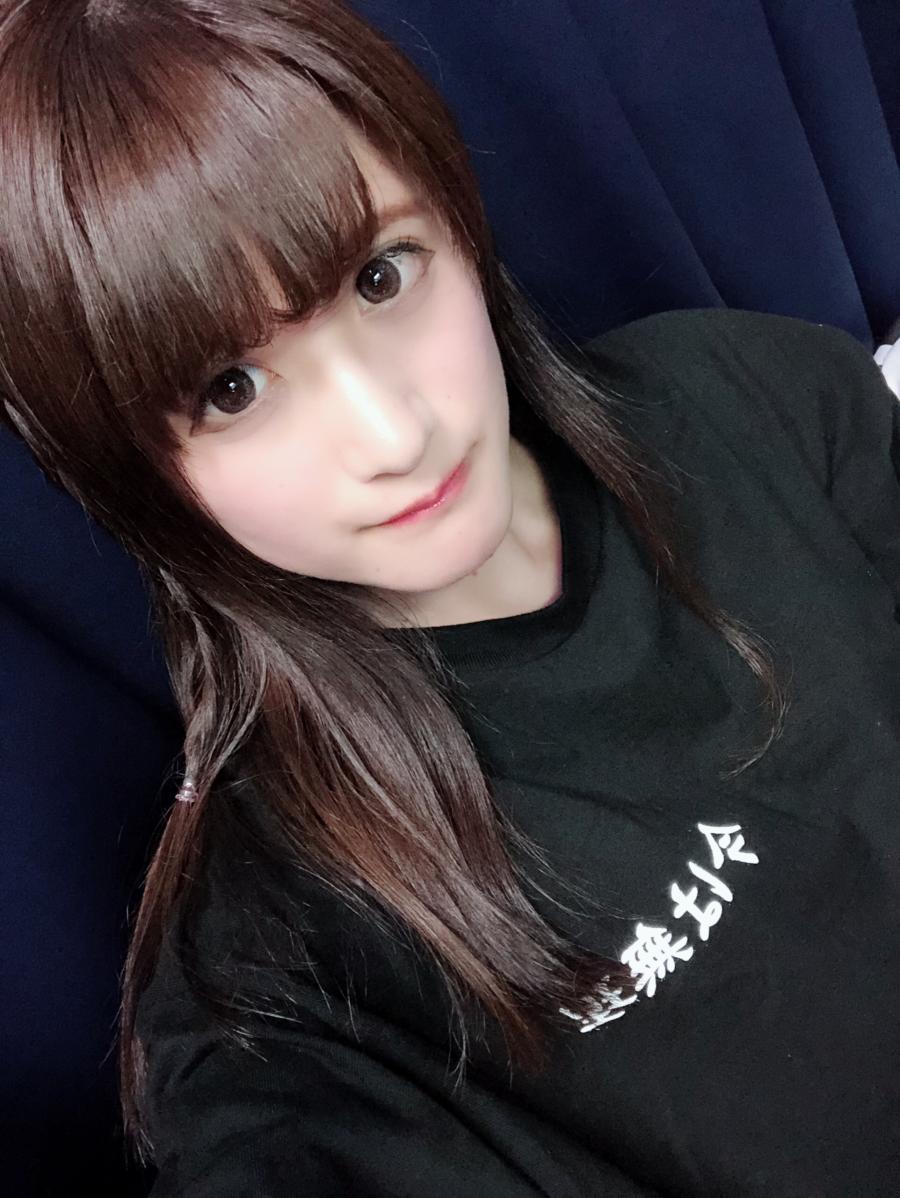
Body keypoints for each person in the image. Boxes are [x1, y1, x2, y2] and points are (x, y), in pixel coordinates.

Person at [1, 2, 899, 1195]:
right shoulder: (285, 979)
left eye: (380, 276)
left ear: (457, 217)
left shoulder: (752, 398)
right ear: (135, 473)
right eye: (230, 389)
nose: (393, 433)